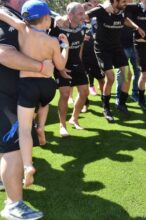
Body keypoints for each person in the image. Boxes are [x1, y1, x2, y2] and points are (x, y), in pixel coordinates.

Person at [0, 0, 55, 218]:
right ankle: (13, 205)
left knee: (8, 146)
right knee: (13, 148)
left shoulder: (14, 15)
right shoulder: (4, 14)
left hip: (15, 93)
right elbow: (3, 53)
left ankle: (7, 183)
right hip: (4, 95)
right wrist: (41, 67)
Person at [86, 0, 133, 122]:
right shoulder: (102, 10)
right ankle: (106, 108)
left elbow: (125, 19)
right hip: (102, 49)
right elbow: (85, 16)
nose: (125, 3)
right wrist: (101, 7)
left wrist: (137, 27)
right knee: (110, 78)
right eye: (123, 1)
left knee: (128, 75)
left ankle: (121, 104)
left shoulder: (123, 10)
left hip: (117, 48)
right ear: (114, 1)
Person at [50, 2, 90, 137]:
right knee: (65, 94)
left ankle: (74, 118)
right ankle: (62, 125)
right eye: (80, 13)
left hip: (77, 64)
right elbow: (51, 51)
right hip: (61, 65)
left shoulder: (83, 28)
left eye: (83, 13)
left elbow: (80, 46)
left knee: (84, 92)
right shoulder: (58, 29)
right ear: (70, 15)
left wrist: (80, 62)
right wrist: (60, 69)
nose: (83, 16)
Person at [82, 1, 106, 112]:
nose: (88, 12)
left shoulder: (97, 21)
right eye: (86, 10)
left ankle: (104, 101)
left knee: (102, 79)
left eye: (90, 10)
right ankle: (85, 103)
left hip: (96, 54)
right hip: (81, 57)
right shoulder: (77, 24)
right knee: (83, 83)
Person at [116, 0, 141, 104]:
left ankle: (135, 93)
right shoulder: (117, 9)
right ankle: (119, 96)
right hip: (122, 46)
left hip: (135, 45)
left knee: (138, 70)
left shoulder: (135, 8)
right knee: (123, 73)